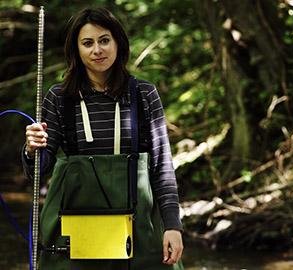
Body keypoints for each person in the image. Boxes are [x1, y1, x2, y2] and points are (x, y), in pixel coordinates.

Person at [22, 7, 183, 270]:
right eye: (87, 43)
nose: (97, 50)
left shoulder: (143, 94)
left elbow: (162, 169)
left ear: (118, 43)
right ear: (76, 50)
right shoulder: (59, 98)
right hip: (76, 229)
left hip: (139, 227)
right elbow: (38, 171)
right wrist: (32, 150)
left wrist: (172, 225)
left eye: (104, 40)